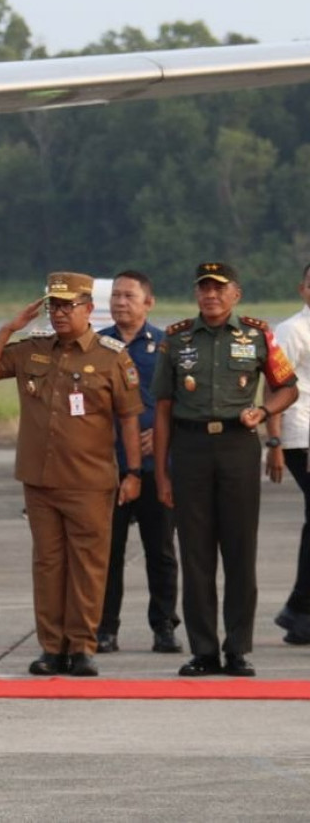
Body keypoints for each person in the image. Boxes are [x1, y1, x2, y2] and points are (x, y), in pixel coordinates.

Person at [0, 272, 143, 677]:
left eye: (68, 306)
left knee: (87, 567)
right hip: (41, 480)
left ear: (88, 308)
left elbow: (130, 419)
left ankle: (82, 646)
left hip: (89, 481)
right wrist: (10, 327)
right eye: (54, 305)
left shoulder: (111, 356)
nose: (60, 313)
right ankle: (52, 648)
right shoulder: (32, 349)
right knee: (48, 565)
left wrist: (134, 472)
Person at [153, 261, 298, 678]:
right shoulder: (177, 340)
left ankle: (237, 649)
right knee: (195, 554)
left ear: (236, 294)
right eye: (204, 288)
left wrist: (263, 409)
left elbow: (287, 387)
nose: (210, 295)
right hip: (191, 447)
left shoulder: (256, 336)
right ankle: (203, 651)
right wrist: (162, 473)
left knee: (239, 551)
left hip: (237, 446)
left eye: (219, 288)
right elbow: (162, 408)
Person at [96, 271, 182, 655]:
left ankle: (164, 626)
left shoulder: (167, 346)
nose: (120, 302)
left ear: (149, 302)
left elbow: (184, 401)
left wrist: (165, 436)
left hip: (156, 467)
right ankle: (104, 628)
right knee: (108, 553)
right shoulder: (97, 346)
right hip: (108, 467)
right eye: (115, 296)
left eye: (129, 296)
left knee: (160, 551)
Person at [261, 263, 310, 644]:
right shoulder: (292, 330)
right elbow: (275, 385)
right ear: (302, 289)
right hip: (301, 437)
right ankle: (299, 610)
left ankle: (298, 613)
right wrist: (274, 442)